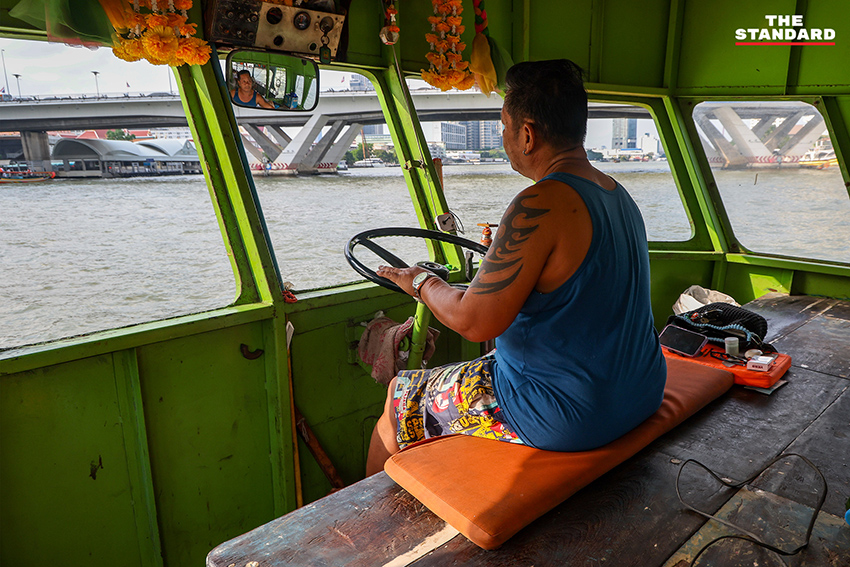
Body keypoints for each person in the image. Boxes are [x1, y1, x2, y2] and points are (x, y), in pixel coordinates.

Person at [366, 59, 667, 475]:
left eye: (503, 126)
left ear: (527, 135)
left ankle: (361, 527)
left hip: (567, 413)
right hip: (640, 391)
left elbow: (474, 323)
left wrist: (420, 280)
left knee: (400, 398)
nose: (503, 136)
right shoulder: (617, 194)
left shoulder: (539, 202)